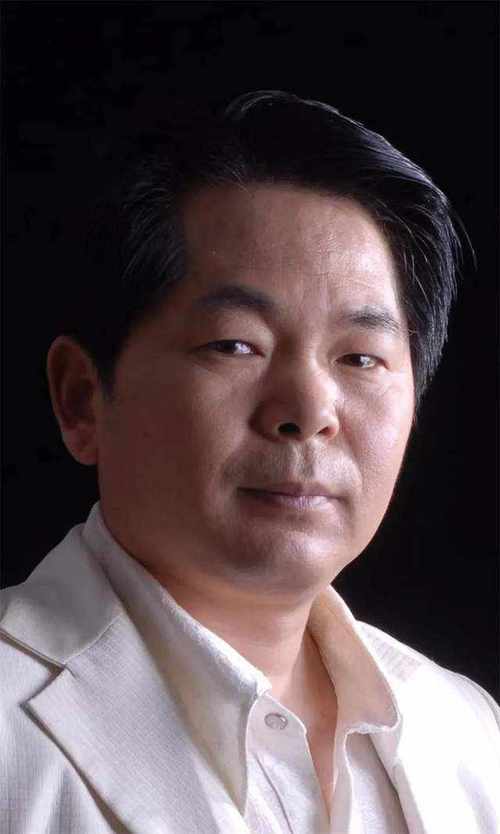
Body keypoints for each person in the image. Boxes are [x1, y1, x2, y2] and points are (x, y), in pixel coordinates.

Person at [1, 89, 498, 834]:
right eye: (236, 344)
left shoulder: (468, 732)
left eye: (360, 357)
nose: (309, 409)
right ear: (82, 399)